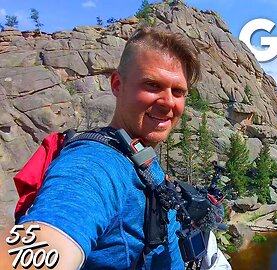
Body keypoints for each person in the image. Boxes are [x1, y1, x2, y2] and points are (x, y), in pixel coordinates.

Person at [0, 26, 229, 269]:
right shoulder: (94, 164)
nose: (168, 102)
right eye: (152, 85)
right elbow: (41, 244)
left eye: (178, 91)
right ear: (117, 84)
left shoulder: (134, 150)